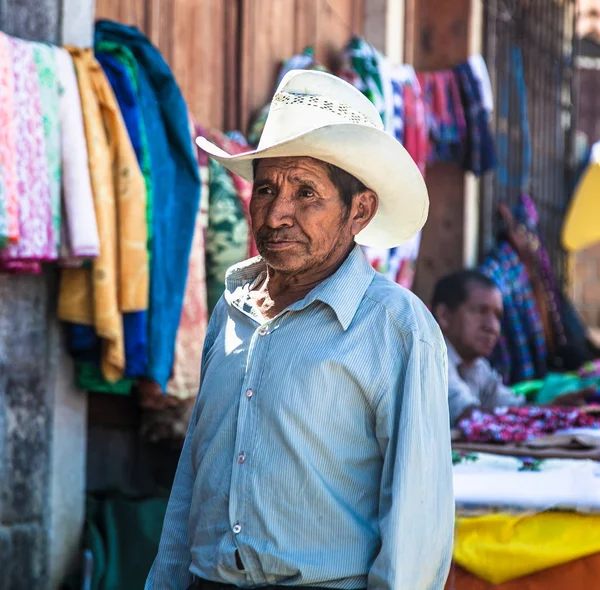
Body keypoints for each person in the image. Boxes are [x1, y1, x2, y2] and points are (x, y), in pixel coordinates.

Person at [146, 70, 453, 590]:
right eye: (265, 188)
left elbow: (416, 526)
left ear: (360, 210)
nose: (276, 214)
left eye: (306, 192)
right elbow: (191, 484)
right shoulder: (232, 308)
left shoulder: (396, 327)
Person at [432, 270, 592, 426]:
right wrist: (543, 412)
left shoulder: (477, 366)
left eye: (497, 316)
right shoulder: (432, 357)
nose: (493, 327)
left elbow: (510, 407)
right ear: (444, 316)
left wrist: (552, 408)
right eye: (481, 311)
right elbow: (469, 416)